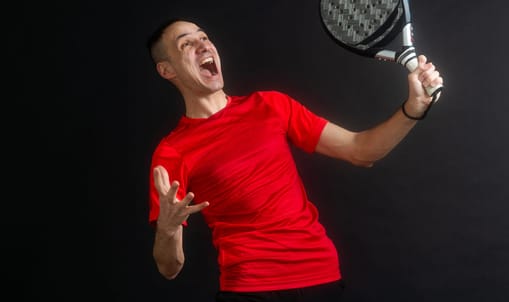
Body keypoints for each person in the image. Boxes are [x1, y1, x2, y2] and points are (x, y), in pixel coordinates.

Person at [146, 18, 444, 302]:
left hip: (320, 279)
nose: (204, 45)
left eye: (205, 37)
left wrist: (414, 107)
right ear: (166, 70)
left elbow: (361, 151)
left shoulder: (271, 105)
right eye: (187, 44)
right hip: (250, 288)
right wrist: (168, 228)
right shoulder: (172, 151)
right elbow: (169, 268)